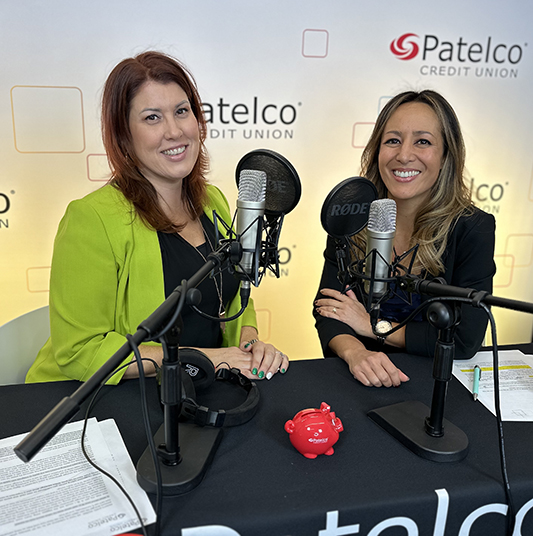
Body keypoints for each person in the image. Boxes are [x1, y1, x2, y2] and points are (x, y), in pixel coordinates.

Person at [27, 51, 289, 384]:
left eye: (182, 111)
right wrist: (210, 359)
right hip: (107, 400)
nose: (175, 131)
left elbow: (233, 299)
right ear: (124, 134)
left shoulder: (214, 201)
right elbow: (80, 351)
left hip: (196, 390)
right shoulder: (90, 219)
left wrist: (250, 347)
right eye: (152, 118)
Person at [314, 90, 495, 388]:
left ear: (446, 156)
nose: (404, 155)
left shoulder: (472, 228)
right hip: (357, 377)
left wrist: (375, 329)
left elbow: (464, 339)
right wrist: (356, 353)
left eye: (422, 141)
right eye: (393, 140)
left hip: (434, 385)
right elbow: (329, 309)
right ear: (377, 150)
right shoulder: (351, 215)